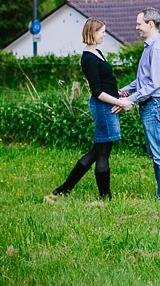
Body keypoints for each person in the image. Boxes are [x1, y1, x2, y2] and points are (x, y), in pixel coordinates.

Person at [52, 18, 133, 199]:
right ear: (93, 32)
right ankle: (105, 197)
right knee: (102, 153)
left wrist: (118, 93)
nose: (104, 34)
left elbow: (104, 83)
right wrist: (121, 103)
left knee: (96, 151)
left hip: (107, 104)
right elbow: (97, 91)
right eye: (102, 31)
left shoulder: (97, 52)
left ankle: (65, 188)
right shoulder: (88, 58)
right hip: (103, 107)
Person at [117, 7, 160, 204]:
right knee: (156, 153)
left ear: (150, 24)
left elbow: (155, 84)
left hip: (155, 106)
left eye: (139, 24)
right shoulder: (149, 47)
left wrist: (131, 99)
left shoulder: (157, 49)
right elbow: (143, 80)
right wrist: (126, 90)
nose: (136, 28)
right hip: (149, 106)